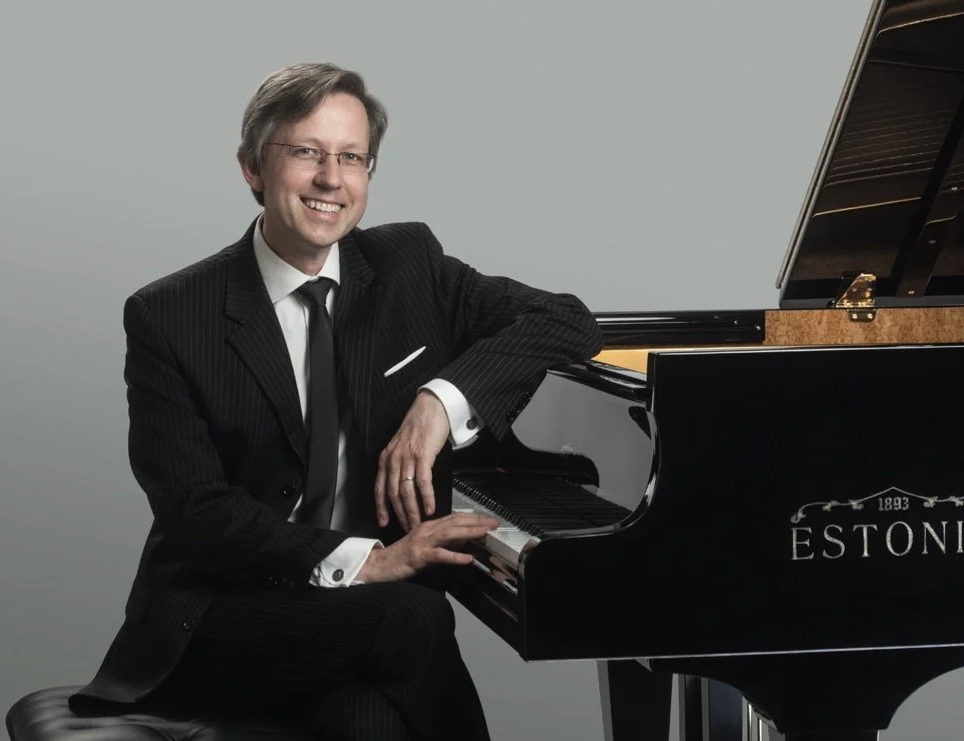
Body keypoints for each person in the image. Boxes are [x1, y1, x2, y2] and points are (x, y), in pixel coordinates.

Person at [68, 62, 603, 741]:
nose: (331, 179)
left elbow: (567, 320)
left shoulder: (409, 266)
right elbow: (197, 514)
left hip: (355, 629)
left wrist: (438, 403)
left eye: (352, 158)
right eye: (307, 153)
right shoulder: (170, 314)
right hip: (225, 613)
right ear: (252, 167)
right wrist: (371, 562)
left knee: (367, 720)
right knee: (412, 615)